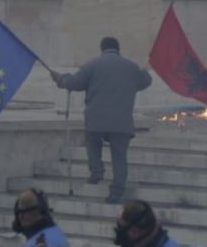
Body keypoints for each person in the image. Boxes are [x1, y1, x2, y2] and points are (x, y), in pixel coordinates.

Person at [50, 37, 152, 203]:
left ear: (102, 48)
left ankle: (96, 171)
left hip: (96, 120)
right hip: (121, 123)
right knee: (119, 157)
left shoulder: (92, 65)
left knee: (92, 143)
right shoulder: (131, 67)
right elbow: (146, 81)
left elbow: (73, 83)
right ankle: (117, 191)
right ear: (118, 49)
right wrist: (145, 70)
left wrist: (60, 78)